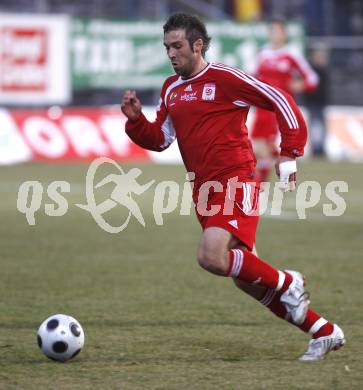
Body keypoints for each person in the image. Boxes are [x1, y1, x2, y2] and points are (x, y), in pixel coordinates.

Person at [121, 13, 345, 361]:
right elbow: (161, 139)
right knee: (246, 278)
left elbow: (280, 98)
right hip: (203, 193)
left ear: (197, 45)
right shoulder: (171, 89)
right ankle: (323, 332)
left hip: (235, 180)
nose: (171, 54)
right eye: (167, 47)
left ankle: (289, 283)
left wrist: (289, 153)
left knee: (210, 256)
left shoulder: (224, 78)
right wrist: (136, 122)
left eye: (177, 46)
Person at [251, 18, 319, 182]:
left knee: (266, 147)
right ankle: (269, 175)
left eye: (278, 30)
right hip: (262, 109)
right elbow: (251, 77)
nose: (275, 34)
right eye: (272, 30)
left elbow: (312, 79)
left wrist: (299, 85)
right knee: (256, 147)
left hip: (279, 108)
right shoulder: (262, 54)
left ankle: (260, 185)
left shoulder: (291, 54)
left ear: (284, 33)